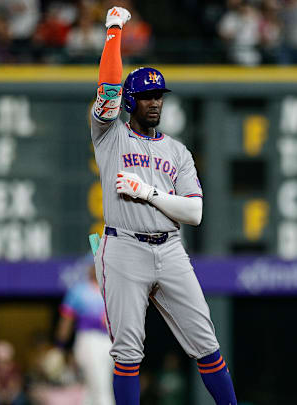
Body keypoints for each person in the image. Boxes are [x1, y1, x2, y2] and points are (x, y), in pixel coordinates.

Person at [89, 6, 238, 405]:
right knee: (127, 352)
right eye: (146, 96)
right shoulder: (110, 136)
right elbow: (107, 86)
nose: (155, 102)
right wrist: (115, 30)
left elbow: (194, 213)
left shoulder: (177, 151)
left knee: (206, 341)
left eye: (159, 95)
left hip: (170, 248)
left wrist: (147, 192)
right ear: (130, 101)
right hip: (123, 248)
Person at [55, 254, 114, 405]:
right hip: (89, 339)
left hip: (110, 340)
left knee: (92, 388)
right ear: (89, 268)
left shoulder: (113, 288)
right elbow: (66, 321)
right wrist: (60, 347)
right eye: (95, 265)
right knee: (101, 386)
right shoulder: (79, 291)